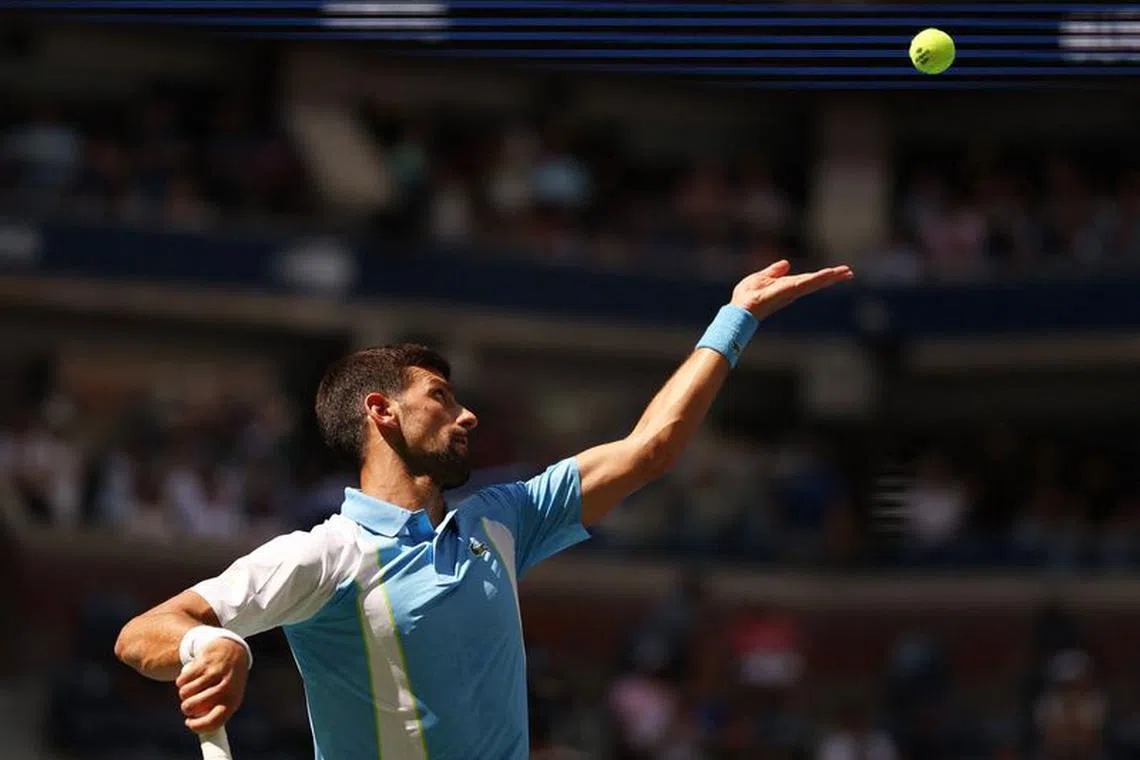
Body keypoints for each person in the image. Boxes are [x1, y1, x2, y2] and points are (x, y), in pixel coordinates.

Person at [114, 259, 853, 759]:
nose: (466, 416)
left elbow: (650, 449)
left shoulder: (502, 518)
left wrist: (734, 318)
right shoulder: (323, 556)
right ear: (382, 412)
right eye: (441, 396)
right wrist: (208, 646)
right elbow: (143, 632)